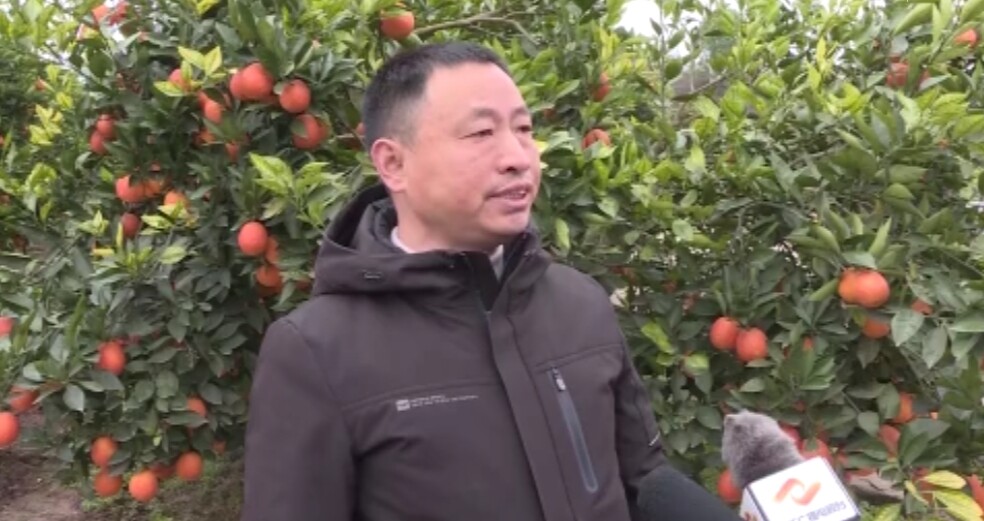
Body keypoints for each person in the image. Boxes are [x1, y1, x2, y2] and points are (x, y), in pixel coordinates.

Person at [241, 41, 668, 521]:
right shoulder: (317, 350)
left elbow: (645, 480)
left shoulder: (580, 303)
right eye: (481, 132)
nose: (518, 157)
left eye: (524, 129)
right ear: (394, 164)